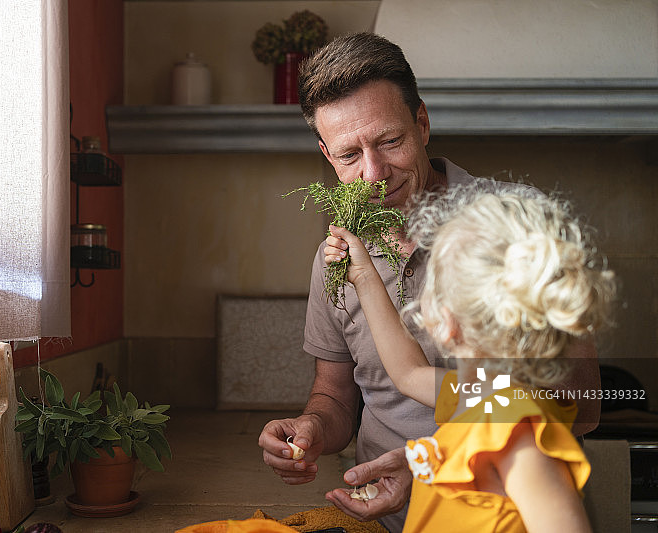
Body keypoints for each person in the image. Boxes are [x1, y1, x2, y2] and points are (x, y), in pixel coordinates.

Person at [257, 32, 601, 532]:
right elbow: (381, 381)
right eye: (349, 155)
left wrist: (429, 467)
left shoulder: (518, 226)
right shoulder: (338, 258)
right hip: (388, 521)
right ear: (327, 155)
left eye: (389, 141)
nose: (374, 173)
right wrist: (310, 428)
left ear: (421, 123)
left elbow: (581, 407)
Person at [321, 186, 615, 532]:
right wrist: (364, 275)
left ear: (447, 323)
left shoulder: (519, 437)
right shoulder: (490, 395)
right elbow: (408, 372)